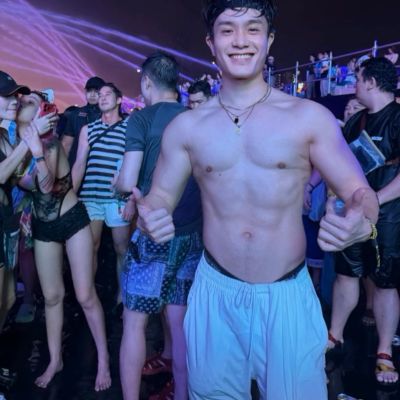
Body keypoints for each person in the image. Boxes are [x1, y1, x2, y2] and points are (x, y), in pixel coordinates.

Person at [130, 2, 379, 399]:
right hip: (215, 292)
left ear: (269, 40)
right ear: (211, 43)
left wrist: (361, 221)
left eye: (253, 28)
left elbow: (360, 193)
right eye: (227, 29)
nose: (241, 40)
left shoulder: (308, 117)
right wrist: (151, 214)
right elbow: (160, 195)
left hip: (286, 295)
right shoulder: (187, 127)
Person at [117, 52, 203, 400]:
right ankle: (181, 394)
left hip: (153, 230)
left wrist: (117, 184)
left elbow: (128, 180)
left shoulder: (141, 119)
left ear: (146, 83)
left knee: (134, 321)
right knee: (179, 322)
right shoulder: (195, 118)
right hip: (191, 231)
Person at [17, 91, 111, 391]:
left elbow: (45, 187)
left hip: (71, 220)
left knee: (84, 295)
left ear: (41, 114)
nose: (22, 102)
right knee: (52, 297)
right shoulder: (15, 144)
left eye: (31, 102)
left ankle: (104, 359)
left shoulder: (50, 144)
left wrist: (36, 150)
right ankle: (54, 360)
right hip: (44, 227)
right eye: (22, 102)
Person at [328, 57, 400, 386]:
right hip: (351, 213)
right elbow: (336, 164)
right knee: (346, 275)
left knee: (385, 282)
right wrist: (330, 200)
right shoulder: (356, 121)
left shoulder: (397, 118)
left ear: (371, 82)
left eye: (358, 79)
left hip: (389, 216)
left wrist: (376, 200)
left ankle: (384, 352)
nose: (354, 85)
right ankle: (334, 335)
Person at [72, 83, 131, 305]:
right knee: (91, 246)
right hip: (90, 196)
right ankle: (88, 295)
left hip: (117, 198)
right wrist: (71, 195)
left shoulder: (129, 128)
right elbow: (80, 163)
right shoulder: (88, 129)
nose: (103, 97)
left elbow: (134, 163)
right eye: (100, 94)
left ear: (119, 100)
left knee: (121, 247)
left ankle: (123, 295)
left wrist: (131, 197)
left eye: (108, 94)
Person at [61, 76, 105, 166]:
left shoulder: (108, 115)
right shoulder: (75, 114)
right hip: (75, 164)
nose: (92, 95)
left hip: (100, 166)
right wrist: (63, 170)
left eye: (96, 91)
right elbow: (66, 144)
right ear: (85, 92)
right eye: (89, 91)